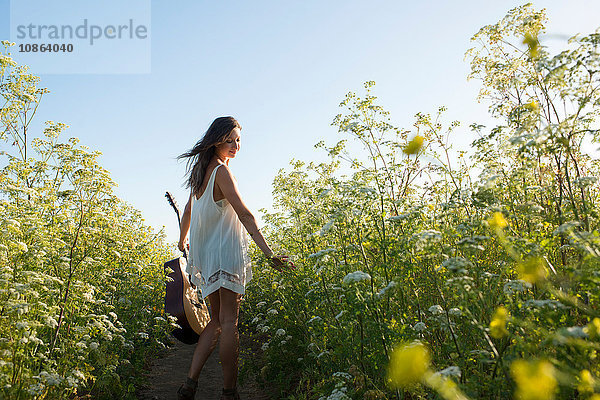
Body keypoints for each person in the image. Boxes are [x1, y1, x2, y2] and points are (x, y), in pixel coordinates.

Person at [176, 116, 294, 400]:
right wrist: (269, 253)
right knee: (229, 322)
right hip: (226, 256)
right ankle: (229, 391)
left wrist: (182, 241)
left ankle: (189, 384)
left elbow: (189, 213)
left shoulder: (200, 177)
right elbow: (245, 213)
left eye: (238, 139)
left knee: (215, 321)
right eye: (229, 140)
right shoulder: (221, 173)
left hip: (207, 257)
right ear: (215, 141)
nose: (236, 145)